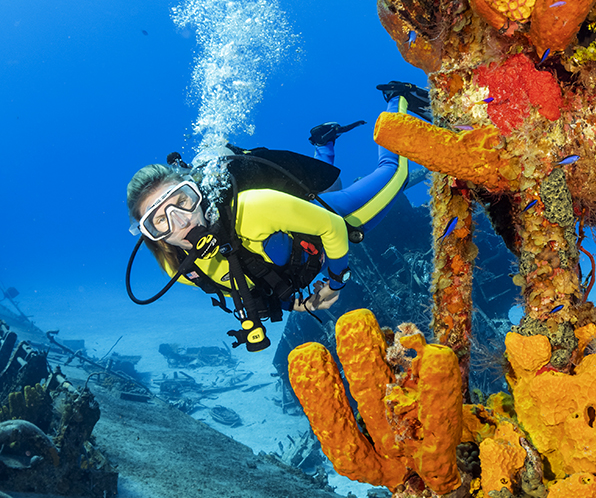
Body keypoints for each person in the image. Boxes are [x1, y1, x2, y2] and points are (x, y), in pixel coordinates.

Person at [125, 82, 429, 348]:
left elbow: (333, 227)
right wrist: (292, 302)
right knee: (330, 182)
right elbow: (239, 284)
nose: (182, 221)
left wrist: (336, 282)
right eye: (159, 220)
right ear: (151, 236)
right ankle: (324, 143)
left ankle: (396, 99)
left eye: (182, 201)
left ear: (198, 193)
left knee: (394, 174)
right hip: (300, 238)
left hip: (325, 221)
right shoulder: (176, 268)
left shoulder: (253, 207)